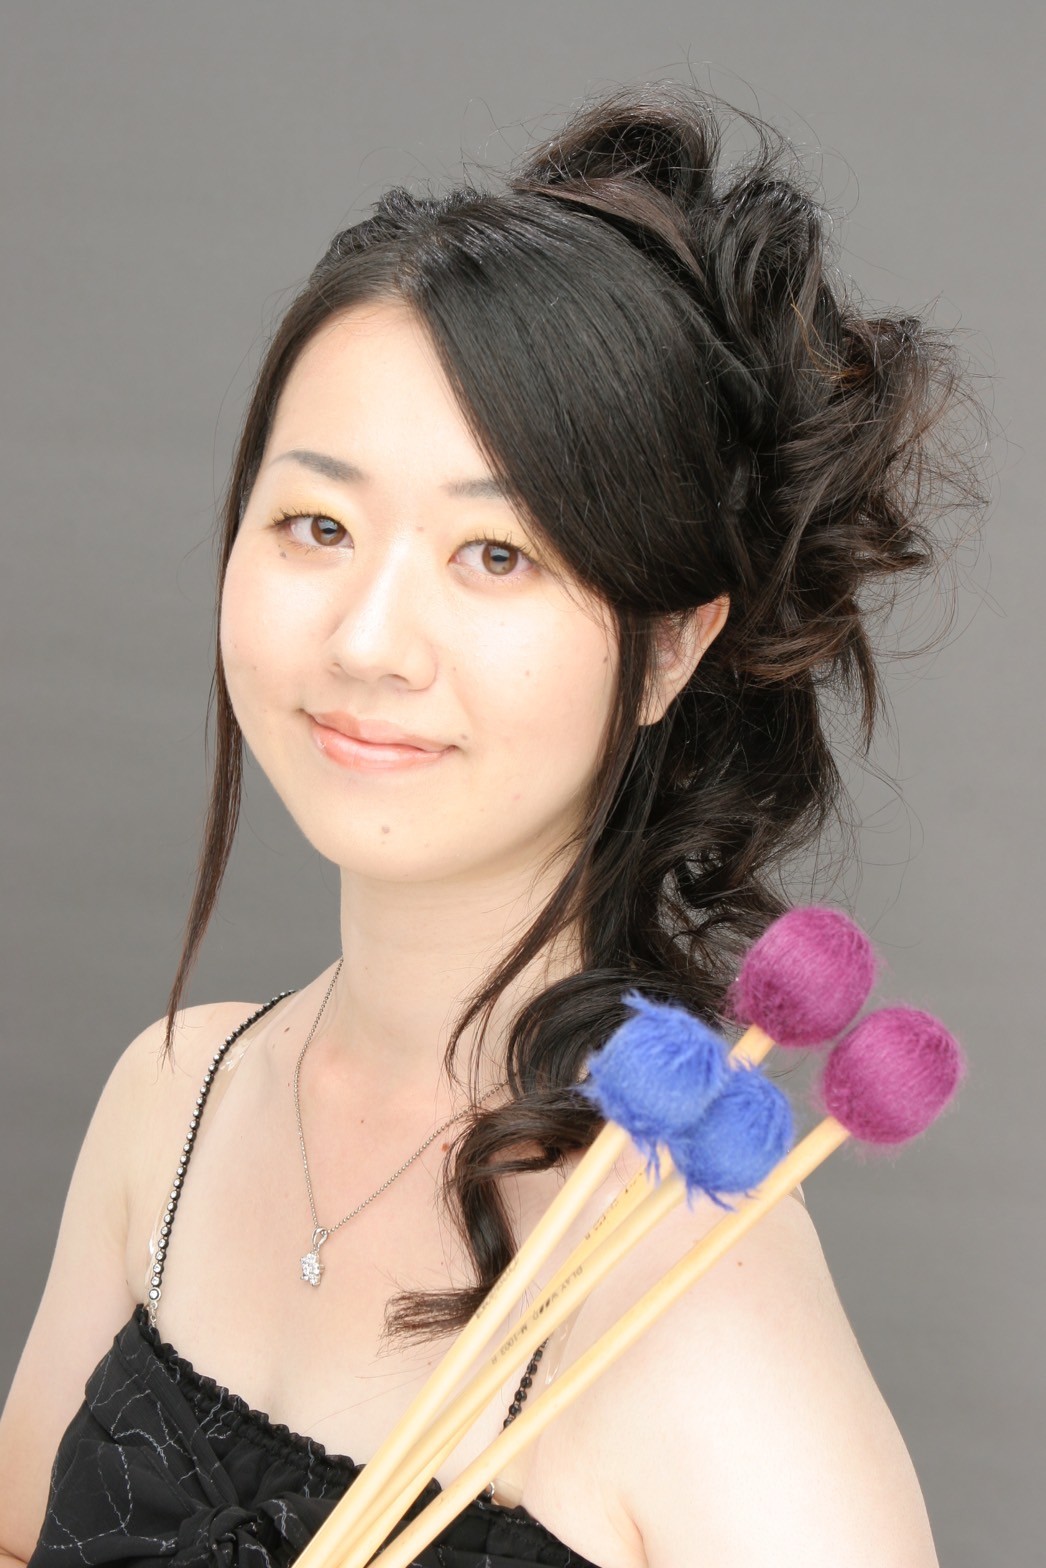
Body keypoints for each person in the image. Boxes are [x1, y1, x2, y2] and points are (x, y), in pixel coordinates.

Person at [0, 83, 978, 1567]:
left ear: (670, 646)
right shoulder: (175, 1099)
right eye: (317, 526)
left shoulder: (689, 1297)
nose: (368, 639)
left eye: (497, 554)